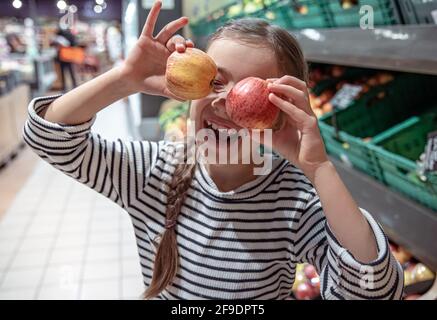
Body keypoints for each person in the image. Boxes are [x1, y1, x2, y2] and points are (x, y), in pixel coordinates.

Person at [23, 1, 403, 299]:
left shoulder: (295, 202)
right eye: (213, 81)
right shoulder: (154, 170)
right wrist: (125, 79)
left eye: (251, 91)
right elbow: (49, 138)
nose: (225, 101)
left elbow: (372, 290)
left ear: (283, 112)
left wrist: (319, 169)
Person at [52, 27, 78, 91]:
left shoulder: (59, 36)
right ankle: (74, 85)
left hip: (62, 56)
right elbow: (74, 44)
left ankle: (64, 87)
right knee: (71, 71)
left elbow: (53, 44)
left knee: (63, 72)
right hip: (69, 56)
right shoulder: (71, 35)